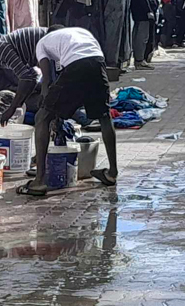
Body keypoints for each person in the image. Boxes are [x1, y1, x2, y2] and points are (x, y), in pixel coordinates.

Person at [17, 25, 118, 197]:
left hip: (77, 64)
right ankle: (112, 173)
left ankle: (39, 181)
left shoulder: (42, 42)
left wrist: (45, 104)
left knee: (41, 118)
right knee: (104, 116)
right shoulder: (81, 33)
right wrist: (57, 111)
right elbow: (73, 89)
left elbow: (47, 79)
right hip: (98, 63)